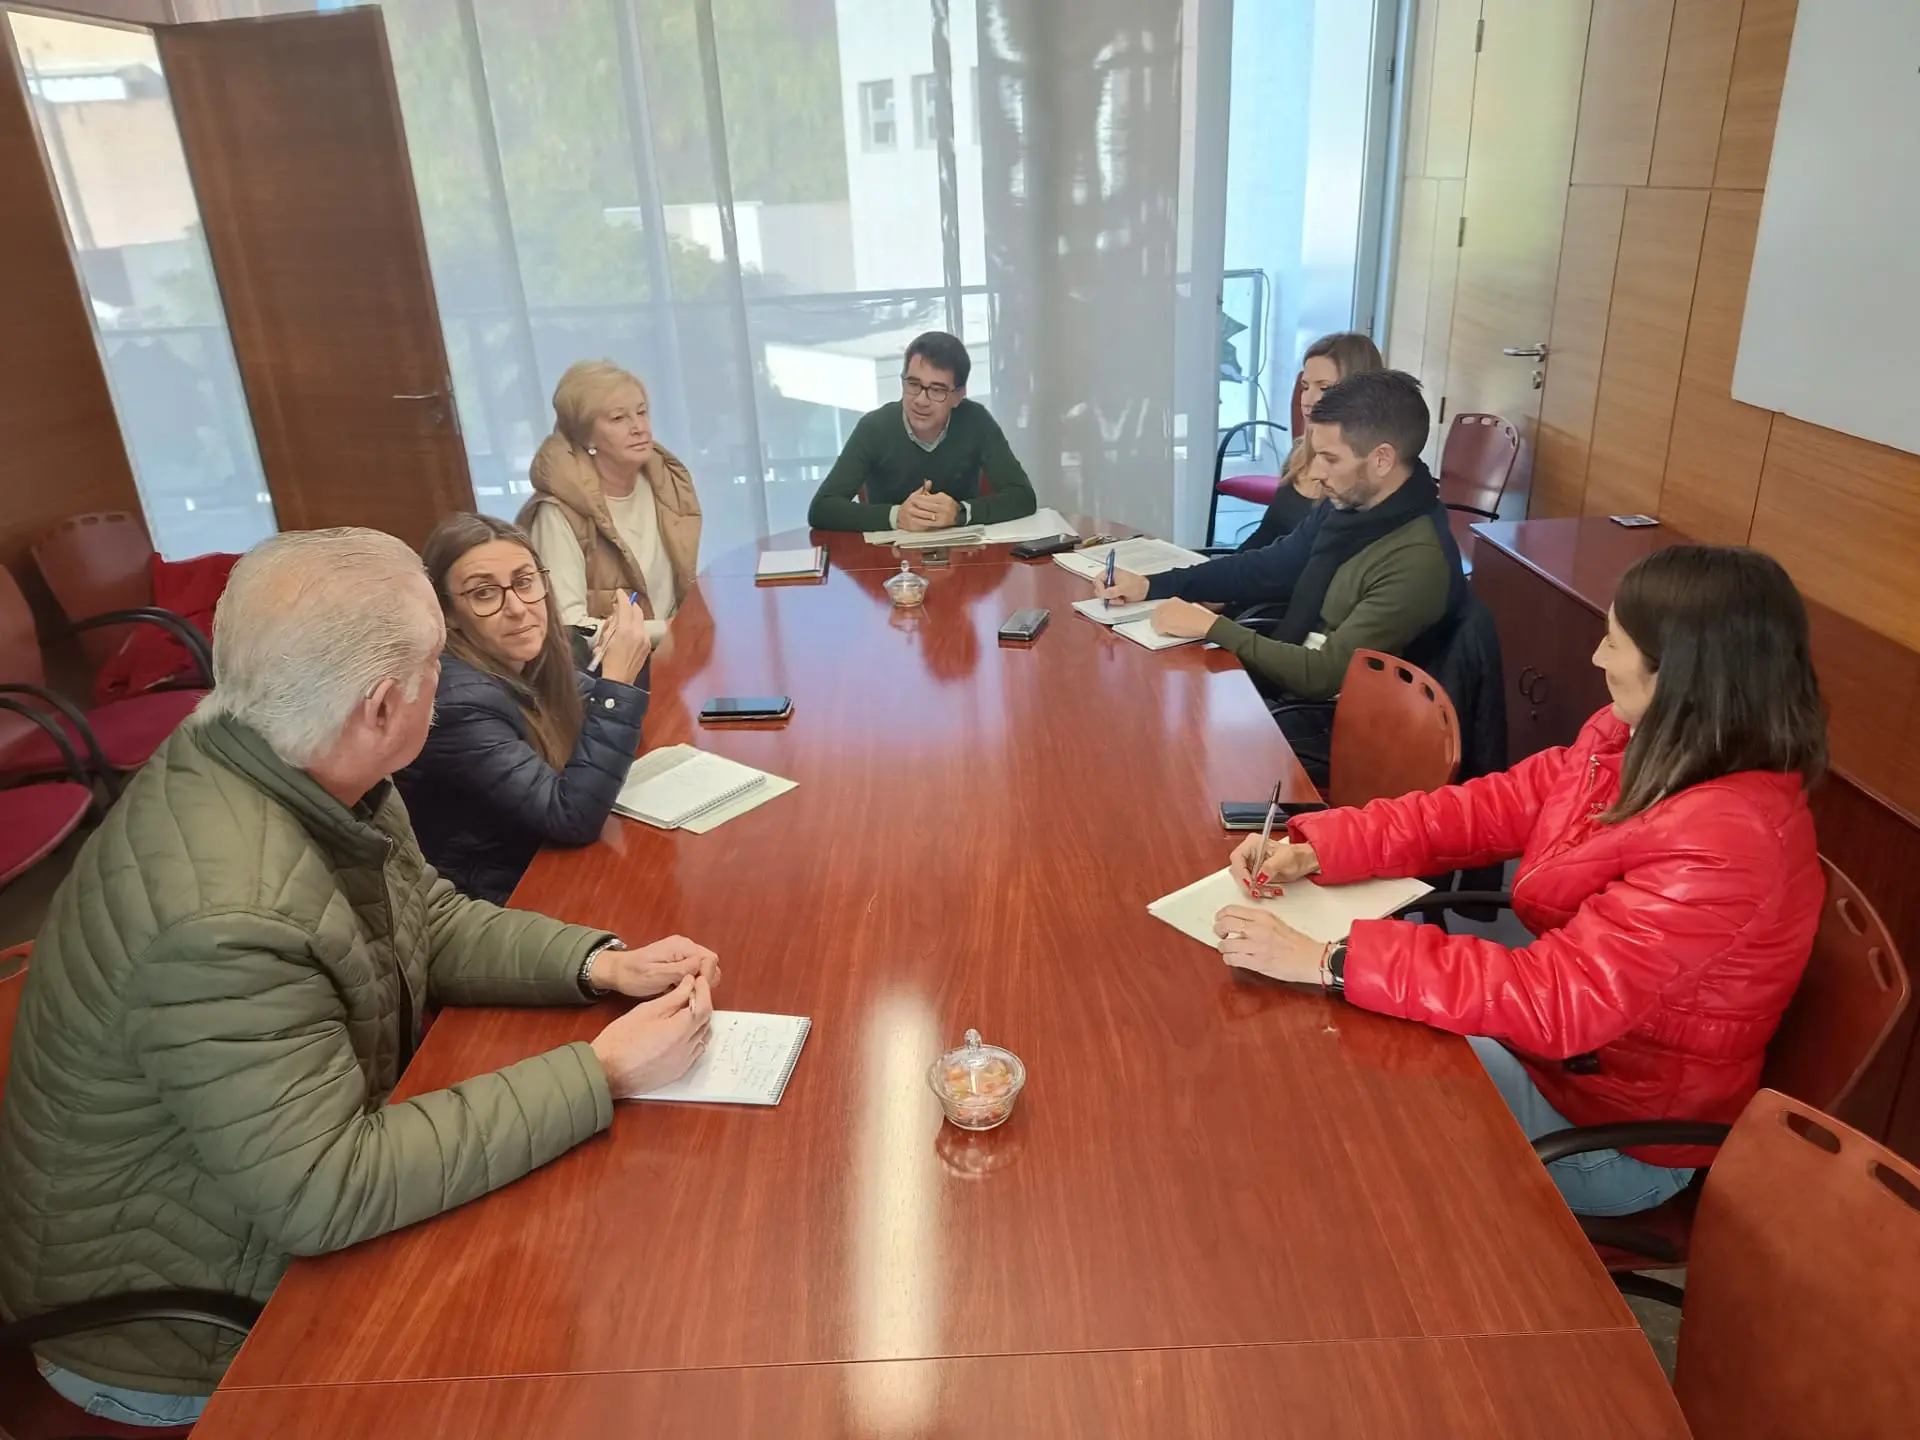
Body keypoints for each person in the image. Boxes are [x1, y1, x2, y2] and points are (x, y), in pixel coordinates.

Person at [0, 529, 720, 1423]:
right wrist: (601, 1072)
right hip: (179, 1334)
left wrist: (598, 962)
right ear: (383, 705)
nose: (449, 681)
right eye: (437, 664)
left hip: (256, 1216)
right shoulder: (227, 915)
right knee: (591, 1347)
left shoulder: (300, 758)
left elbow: (429, 919)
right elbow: (327, 1189)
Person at [1215, 545, 1827, 1217]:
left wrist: (1332, 959)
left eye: (1614, 642)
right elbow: (1486, 808)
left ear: (1680, 674)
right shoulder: (1631, 739)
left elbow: (1562, 997)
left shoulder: (1726, 842)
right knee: (1325, 1055)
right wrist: (1320, 848)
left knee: (1341, 1111)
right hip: (1556, 1063)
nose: (1596, 657)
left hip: (1609, 1136)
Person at [1096, 369, 1465, 785]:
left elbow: (1324, 674)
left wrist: (1214, 627)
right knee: (1150, 706)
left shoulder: (1416, 560)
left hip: (1341, 726)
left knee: (1175, 746)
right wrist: (1155, 585)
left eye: (1330, 458)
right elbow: (1267, 567)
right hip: (1299, 689)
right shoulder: (1353, 508)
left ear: (1381, 459)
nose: (1316, 472)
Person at [397, 514, 653, 905]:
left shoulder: (527, 657)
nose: (517, 608)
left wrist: (617, 673)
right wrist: (616, 684)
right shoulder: (457, 701)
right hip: (492, 900)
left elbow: (605, 716)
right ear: (447, 613)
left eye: (524, 581)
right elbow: (571, 818)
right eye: (484, 593)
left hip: (544, 866)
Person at [521, 360, 701, 631]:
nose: (639, 427)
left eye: (641, 412)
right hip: (611, 655)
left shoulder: (667, 482)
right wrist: (668, 630)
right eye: (618, 418)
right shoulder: (558, 512)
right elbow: (571, 626)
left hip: (676, 643)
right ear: (586, 436)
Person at [807, 331, 1038, 533]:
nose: (920, 400)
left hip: (962, 558)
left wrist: (960, 513)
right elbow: (822, 507)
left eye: (937, 390)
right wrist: (896, 516)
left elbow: (1023, 497)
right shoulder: (874, 427)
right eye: (913, 384)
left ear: (958, 396)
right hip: (890, 560)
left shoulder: (976, 420)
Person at [1236, 332, 1384, 551]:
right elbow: (1266, 534)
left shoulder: (1363, 475)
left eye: (1324, 388)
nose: (1307, 399)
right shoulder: (1300, 452)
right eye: (1305, 386)